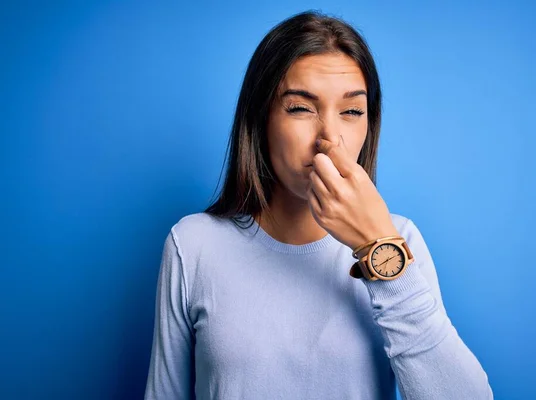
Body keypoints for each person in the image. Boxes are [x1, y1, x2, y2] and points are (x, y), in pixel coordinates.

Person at [144, 10, 493, 400]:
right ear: (260, 120)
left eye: (351, 112)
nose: (330, 138)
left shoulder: (400, 239)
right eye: (300, 108)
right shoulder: (193, 246)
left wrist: (377, 247)